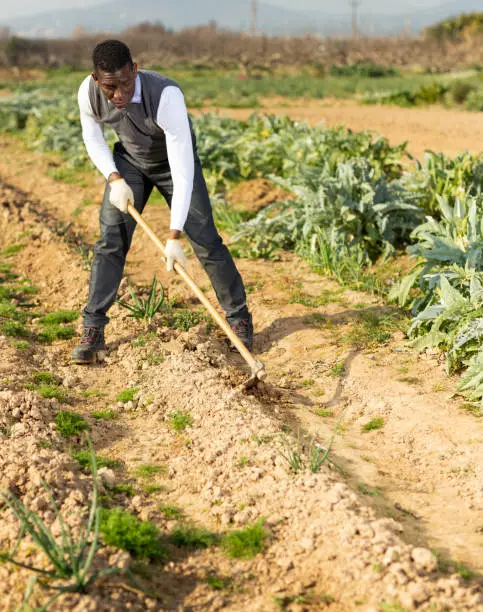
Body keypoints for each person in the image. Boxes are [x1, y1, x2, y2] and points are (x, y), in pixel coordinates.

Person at [71, 39, 253, 364]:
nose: (120, 95)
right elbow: (92, 137)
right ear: (97, 81)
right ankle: (93, 327)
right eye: (110, 88)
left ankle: (238, 318)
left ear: (135, 71)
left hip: (173, 166)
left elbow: (183, 171)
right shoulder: (88, 93)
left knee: (206, 241)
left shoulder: (166, 96)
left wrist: (174, 235)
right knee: (110, 241)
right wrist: (114, 178)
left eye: (126, 84)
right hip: (129, 164)